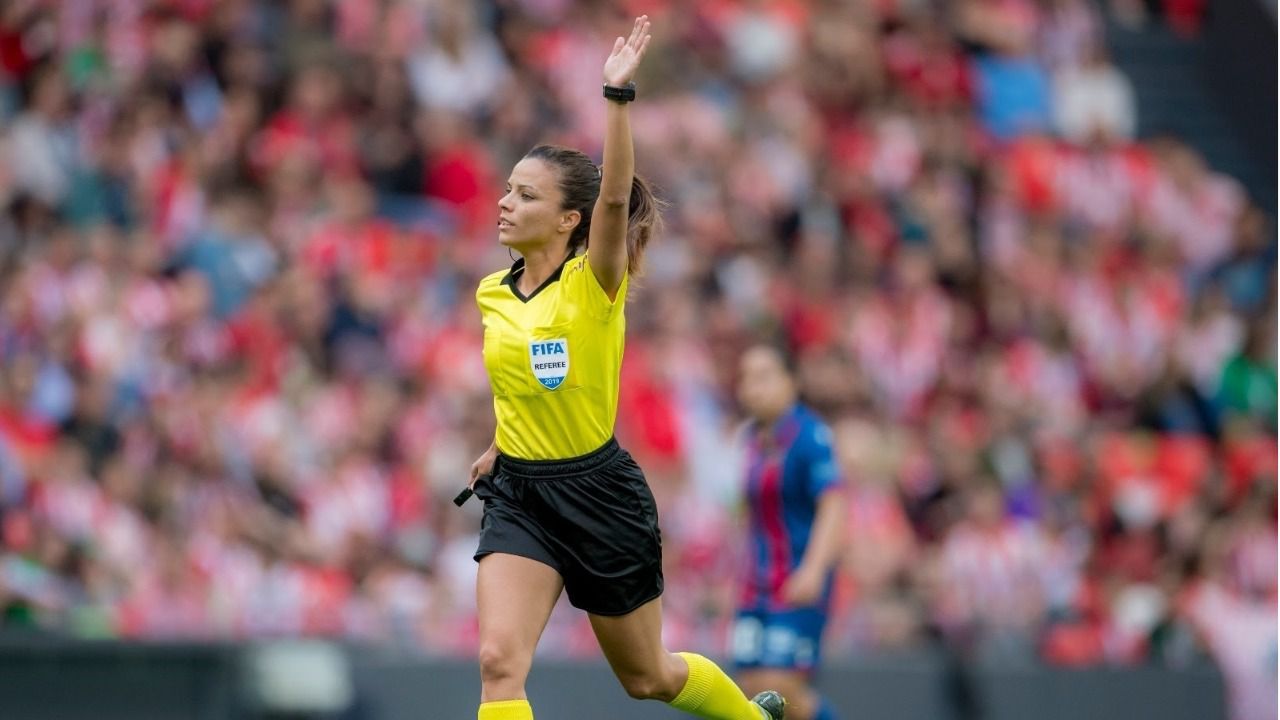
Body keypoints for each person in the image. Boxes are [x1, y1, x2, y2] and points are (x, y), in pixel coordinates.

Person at [466, 16, 786, 720]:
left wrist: (617, 95)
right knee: (498, 663)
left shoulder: (593, 283)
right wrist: (500, 445)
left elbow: (614, 196)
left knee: (648, 678)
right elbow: (520, 382)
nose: (504, 201)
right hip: (521, 492)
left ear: (567, 221)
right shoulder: (493, 291)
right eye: (508, 188)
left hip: (598, 495)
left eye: (525, 195)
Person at [733, 344, 848, 720]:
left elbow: (834, 505)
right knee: (748, 688)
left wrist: (814, 570)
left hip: (796, 581)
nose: (753, 387)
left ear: (791, 382)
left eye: (764, 376)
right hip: (756, 584)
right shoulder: (750, 439)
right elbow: (749, 516)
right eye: (746, 378)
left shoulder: (810, 436)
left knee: (781, 688)